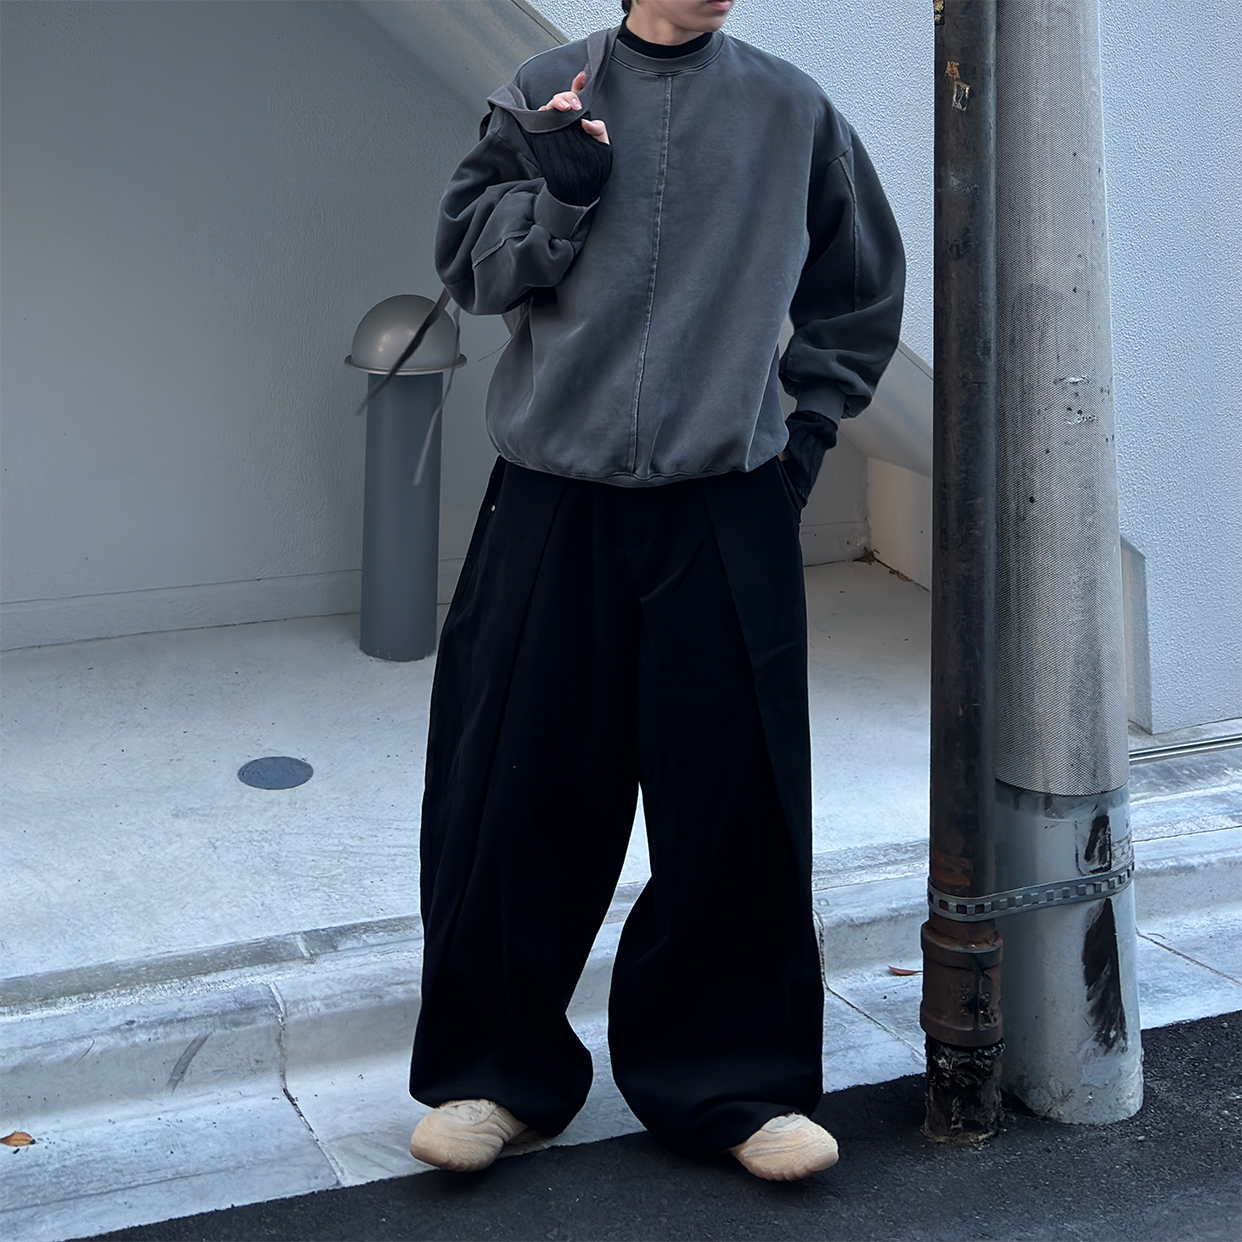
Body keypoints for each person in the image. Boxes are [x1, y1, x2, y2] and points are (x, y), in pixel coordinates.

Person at [407, 0, 905, 1182]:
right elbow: (473, 270)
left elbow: (857, 288)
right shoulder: (548, 87)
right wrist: (563, 191)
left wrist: (803, 437)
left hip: (725, 499)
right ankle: (496, 1072)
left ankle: (733, 1083)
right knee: (511, 783)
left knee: (733, 798)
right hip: (551, 497)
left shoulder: (791, 108)